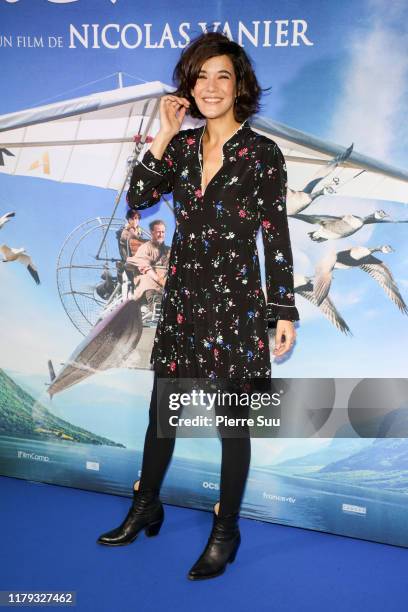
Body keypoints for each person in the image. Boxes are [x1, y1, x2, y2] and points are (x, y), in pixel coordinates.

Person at [97, 31, 300, 581]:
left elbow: (274, 234)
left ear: (239, 86)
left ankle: (226, 531)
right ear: (188, 86)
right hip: (185, 299)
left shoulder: (262, 154)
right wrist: (164, 132)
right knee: (161, 414)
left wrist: (282, 309)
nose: (210, 86)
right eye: (200, 76)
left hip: (236, 302)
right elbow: (139, 197)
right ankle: (146, 506)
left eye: (222, 76)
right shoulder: (183, 148)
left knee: (233, 426)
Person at [126, 219, 170, 309]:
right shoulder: (145, 247)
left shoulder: (168, 250)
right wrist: (159, 280)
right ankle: (155, 304)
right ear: (152, 233)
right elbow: (144, 266)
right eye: (158, 232)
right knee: (148, 282)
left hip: (165, 276)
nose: (161, 234)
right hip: (151, 278)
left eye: (163, 232)